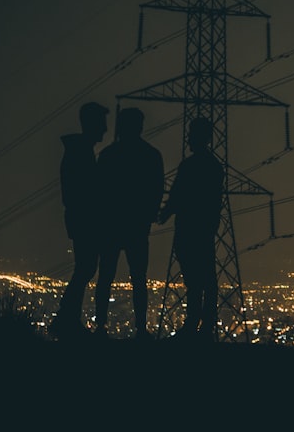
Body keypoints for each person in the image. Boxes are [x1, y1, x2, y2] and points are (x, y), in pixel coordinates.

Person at [95, 107, 165, 340]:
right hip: (137, 225)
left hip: (111, 224)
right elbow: (156, 189)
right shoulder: (151, 155)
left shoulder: (108, 155)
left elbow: (99, 191)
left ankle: (100, 327)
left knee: (106, 276)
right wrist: (149, 214)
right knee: (138, 277)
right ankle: (141, 329)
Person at [158, 117, 224, 341]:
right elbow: (214, 201)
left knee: (196, 280)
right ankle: (205, 326)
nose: (188, 140)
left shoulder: (190, 166)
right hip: (203, 228)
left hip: (188, 229)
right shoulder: (214, 167)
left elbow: (176, 196)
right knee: (205, 279)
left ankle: (196, 324)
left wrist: (163, 214)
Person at [51, 101, 109, 340]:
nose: (105, 130)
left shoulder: (79, 152)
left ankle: (67, 318)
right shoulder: (81, 154)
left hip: (80, 219)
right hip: (85, 220)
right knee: (85, 268)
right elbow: (86, 191)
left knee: (84, 269)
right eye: (102, 124)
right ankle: (66, 319)